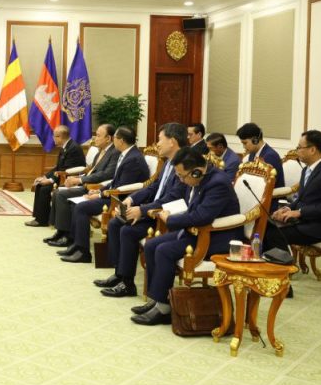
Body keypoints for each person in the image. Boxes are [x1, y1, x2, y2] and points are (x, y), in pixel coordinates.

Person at [131, 147, 243, 326]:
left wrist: (170, 219)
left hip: (215, 236)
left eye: (182, 176)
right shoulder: (200, 178)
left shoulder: (218, 183)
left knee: (164, 250)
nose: (181, 180)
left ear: (197, 171)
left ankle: (164, 309)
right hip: (195, 231)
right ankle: (158, 299)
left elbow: (202, 216)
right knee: (151, 245)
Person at [96, 123, 188, 297]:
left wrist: (143, 210)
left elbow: (173, 197)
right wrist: (132, 199)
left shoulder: (184, 164)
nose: (157, 144)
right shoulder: (168, 161)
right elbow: (153, 187)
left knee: (128, 231)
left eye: (160, 139)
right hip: (153, 209)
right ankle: (120, 274)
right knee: (116, 223)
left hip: (165, 215)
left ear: (172, 141)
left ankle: (128, 284)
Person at [60, 126, 151, 264]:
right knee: (75, 205)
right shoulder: (126, 154)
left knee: (81, 207)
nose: (113, 141)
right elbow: (115, 181)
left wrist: (100, 195)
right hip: (113, 195)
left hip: (120, 200)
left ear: (121, 141)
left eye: (115, 138)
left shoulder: (133, 159)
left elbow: (121, 187)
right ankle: (77, 245)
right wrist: (99, 191)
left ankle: (83, 253)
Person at [263, 130, 321, 252]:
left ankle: (284, 263)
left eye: (299, 147)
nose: (297, 151)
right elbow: (301, 199)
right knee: (265, 226)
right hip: (302, 221)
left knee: (273, 234)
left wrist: (300, 212)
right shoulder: (306, 169)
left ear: (312, 150)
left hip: (319, 225)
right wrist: (287, 209)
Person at [43, 124, 118, 246]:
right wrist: (77, 178)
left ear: (108, 138)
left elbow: (105, 175)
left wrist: (80, 180)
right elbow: (90, 170)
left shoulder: (114, 153)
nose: (95, 138)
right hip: (88, 183)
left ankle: (67, 235)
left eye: (98, 135)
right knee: (58, 192)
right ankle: (60, 232)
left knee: (61, 195)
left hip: (93, 187)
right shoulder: (101, 151)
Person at [25, 125, 86, 227]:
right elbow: (58, 167)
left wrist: (50, 180)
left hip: (69, 179)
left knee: (44, 189)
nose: (53, 138)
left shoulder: (73, 148)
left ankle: (42, 220)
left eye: (54, 136)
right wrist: (45, 177)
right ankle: (39, 218)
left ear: (59, 137)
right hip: (61, 176)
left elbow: (66, 170)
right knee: (40, 185)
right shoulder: (65, 147)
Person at [236, 122, 285, 189]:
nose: (244, 147)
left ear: (255, 140)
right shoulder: (252, 153)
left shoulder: (270, 156)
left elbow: (267, 185)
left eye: (245, 143)